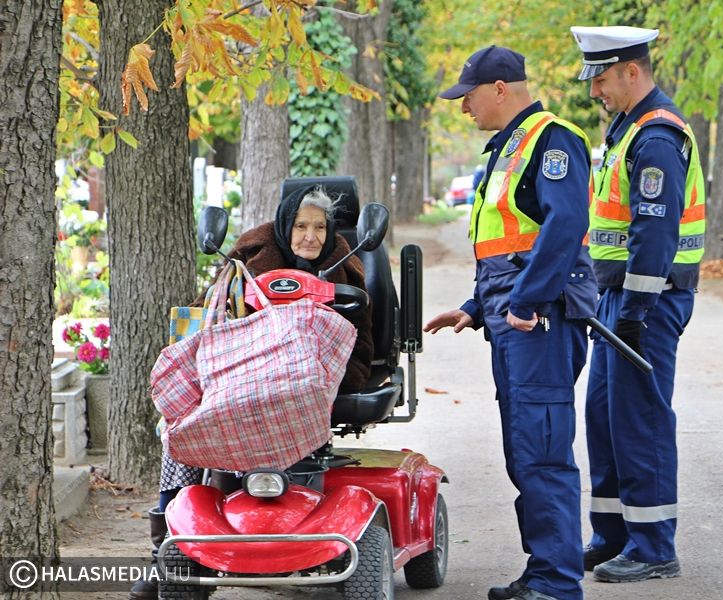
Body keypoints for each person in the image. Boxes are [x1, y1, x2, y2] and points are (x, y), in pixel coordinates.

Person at [129, 185, 374, 599]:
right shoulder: (245, 257)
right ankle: (164, 553)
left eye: (318, 227)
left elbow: (362, 342)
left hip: (314, 378)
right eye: (300, 226)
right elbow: (207, 312)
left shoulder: (347, 265)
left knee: (282, 398)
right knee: (184, 432)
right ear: (284, 226)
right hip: (243, 374)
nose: (309, 237)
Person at [424, 46, 597, 600]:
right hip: (515, 321)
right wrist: (476, 308)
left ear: (500, 88)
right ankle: (543, 569)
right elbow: (509, 246)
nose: (464, 108)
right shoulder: (507, 149)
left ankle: (557, 582)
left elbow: (565, 225)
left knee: (543, 451)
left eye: (469, 96)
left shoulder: (552, 140)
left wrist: (526, 301)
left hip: (538, 323)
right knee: (526, 450)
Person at [569, 25, 706, 583]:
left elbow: (656, 232)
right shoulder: (627, 128)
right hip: (618, 297)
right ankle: (613, 534)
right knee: (604, 417)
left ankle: (654, 547)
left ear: (632, 71)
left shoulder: (655, 137)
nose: (594, 90)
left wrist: (634, 311)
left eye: (601, 78)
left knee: (640, 420)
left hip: (647, 301)